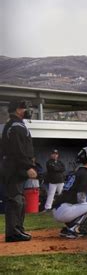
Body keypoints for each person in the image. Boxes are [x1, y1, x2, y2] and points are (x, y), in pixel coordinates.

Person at [0, 100, 37, 242]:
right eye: (24, 108)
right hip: (14, 168)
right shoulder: (15, 126)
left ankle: (18, 230)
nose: (27, 110)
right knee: (15, 200)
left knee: (19, 200)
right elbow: (17, 150)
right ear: (17, 110)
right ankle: (13, 233)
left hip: (15, 168)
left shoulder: (17, 125)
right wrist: (28, 166)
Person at [52, 145, 87, 239]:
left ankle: (70, 228)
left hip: (60, 208)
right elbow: (81, 196)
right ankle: (73, 230)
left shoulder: (80, 171)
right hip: (64, 209)